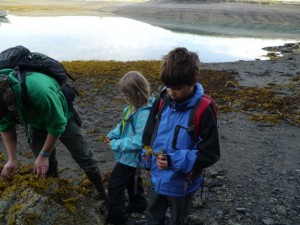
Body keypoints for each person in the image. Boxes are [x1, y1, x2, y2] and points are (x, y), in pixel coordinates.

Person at [0, 68, 108, 202]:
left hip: (63, 116)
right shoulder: (4, 104)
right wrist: (12, 158)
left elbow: (57, 124)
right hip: (34, 122)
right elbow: (5, 126)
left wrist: (44, 154)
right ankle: (58, 193)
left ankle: (102, 191)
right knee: (45, 166)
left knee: (84, 157)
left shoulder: (39, 91)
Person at [141, 47, 220, 225]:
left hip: (182, 184)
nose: (171, 92)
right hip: (157, 176)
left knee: (178, 219)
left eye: (177, 88)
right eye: (168, 86)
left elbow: (210, 152)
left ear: (193, 81)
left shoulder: (203, 110)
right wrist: (147, 160)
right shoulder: (162, 100)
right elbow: (149, 132)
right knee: (153, 214)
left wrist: (172, 160)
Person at [104, 71, 153, 224]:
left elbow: (140, 140)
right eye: (124, 94)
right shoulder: (130, 107)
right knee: (133, 179)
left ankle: (117, 217)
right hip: (128, 156)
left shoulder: (144, 113)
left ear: (138, 92)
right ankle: (138, 204)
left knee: (114, 186)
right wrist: (112, 134)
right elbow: (123, 124)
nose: (125, 98)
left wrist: (115, 144)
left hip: (131, 157)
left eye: (127, 95)